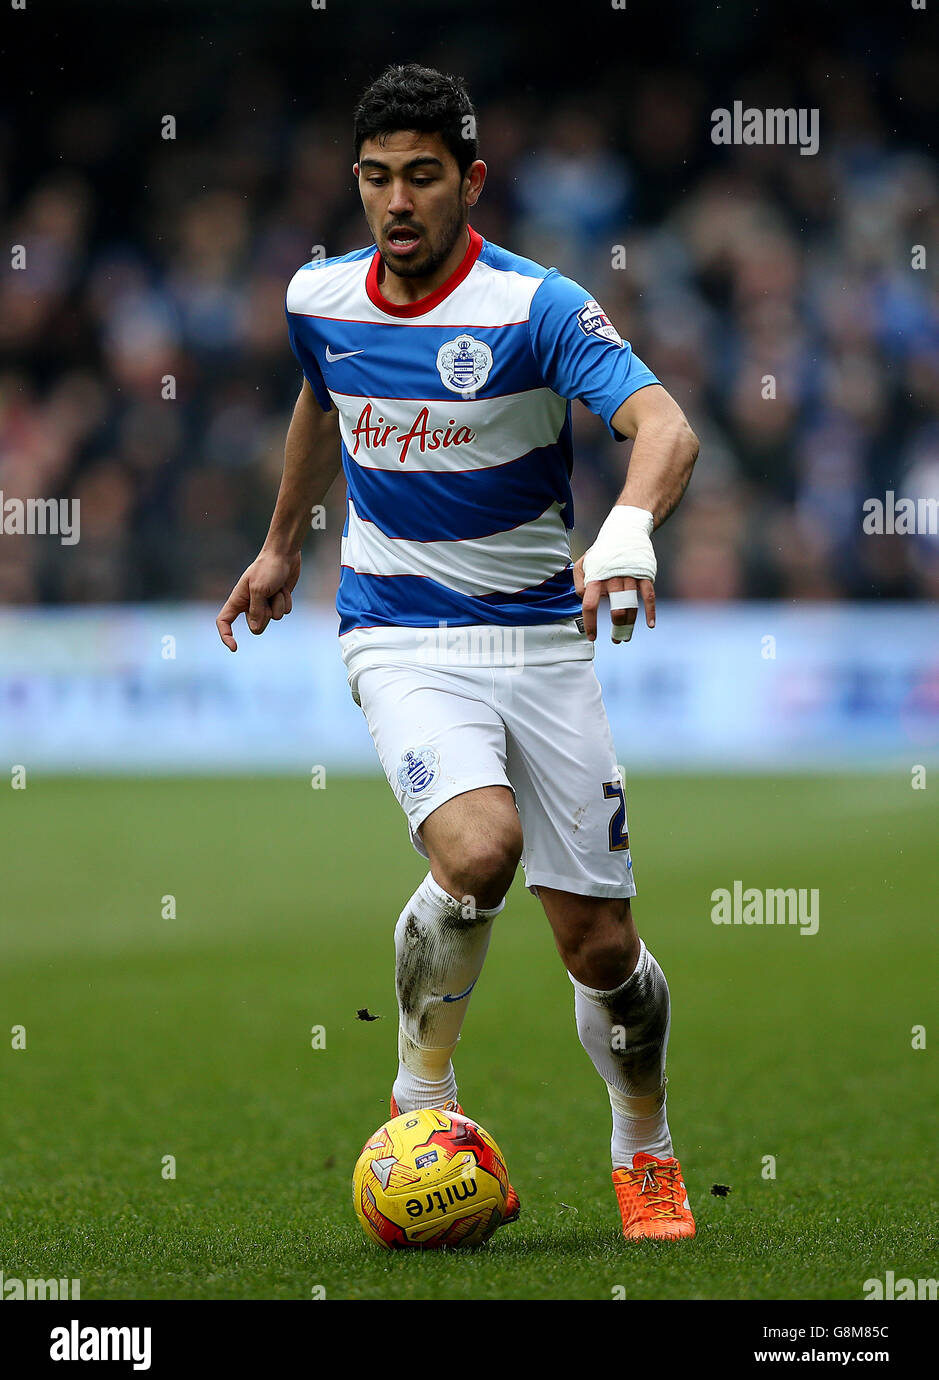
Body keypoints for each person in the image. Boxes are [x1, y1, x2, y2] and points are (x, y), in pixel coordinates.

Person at [217, 63, 699, 1240]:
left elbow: (665, 427)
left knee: (605, 953)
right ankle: (421, 1097)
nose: (397, 200)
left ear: (469, 182)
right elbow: (318, 402)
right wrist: (282, 546)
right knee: (480, 850)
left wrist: (626, 533)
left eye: (423, 176)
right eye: (378, 177)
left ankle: (645, 1142)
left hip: (541, 640)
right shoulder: (319, 297)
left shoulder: (537, 308)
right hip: (399, 633)